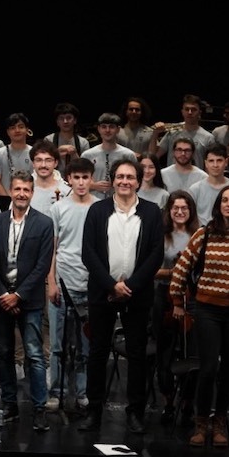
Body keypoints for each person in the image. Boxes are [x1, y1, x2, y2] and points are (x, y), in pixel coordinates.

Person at [168, 185, 229, 448]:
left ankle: (220, 420)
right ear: (219, 205)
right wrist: (177, 300)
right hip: (207, 309)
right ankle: (201, 421)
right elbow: (182, 267)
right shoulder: (205, 233)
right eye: (225, 200)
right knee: (208, 368)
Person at [79, 159, 164, 435]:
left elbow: (156, 255)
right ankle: (93, 411)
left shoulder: (152, 212)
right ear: (113, 180)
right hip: (102, 292)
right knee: (97, 352)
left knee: (137, 354)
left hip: (137, 294)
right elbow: (88, 252)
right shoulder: (97, 210)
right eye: (120, 176)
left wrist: (130, 286)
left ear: (139, 181)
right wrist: (111, 286)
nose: (124, 181)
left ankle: (135, 412)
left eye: (130, 177)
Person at [0, 170, 54, 432]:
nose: (21, 194)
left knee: (34, 354)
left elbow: (42, 265)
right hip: (1, 299)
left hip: (29, 299)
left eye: (26, 190)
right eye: (17, 189)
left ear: (32, 193)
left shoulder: (44, 223)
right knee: (4, 353)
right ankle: (10, 405)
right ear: (11, 191)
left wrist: (18, 295)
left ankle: (39, 409)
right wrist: (3, 294)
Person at [44, 157, 97, 414]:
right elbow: (52, 249)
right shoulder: (58, 208)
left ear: (91, 179)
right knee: (58, 346)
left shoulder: (100, 207)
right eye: (76, 177)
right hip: (63, 282)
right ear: (69, 179)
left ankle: (83, 392)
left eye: (85, 177)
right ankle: (56, 391)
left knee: (85, 346)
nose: (81, 182)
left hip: (90, 285)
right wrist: (51, 281)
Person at [152, 189, 199, 425]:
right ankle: (168, 400)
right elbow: (151, 270)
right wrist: (175, 271)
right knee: (165, 352)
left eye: (184, 208)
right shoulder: (161, 235)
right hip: (164, 296)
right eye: (175, 208)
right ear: (169, 211)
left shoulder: (199, 235)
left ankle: (188, 401)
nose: (180, 212)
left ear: (191, 211)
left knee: (193, 353)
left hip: (193, 298)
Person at [80, 113, 137, 197]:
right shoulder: (87, 155)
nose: (107, 130)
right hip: (93, 200)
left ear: (118, 129)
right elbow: (78, 180)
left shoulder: (128, 155)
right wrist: (93, 185)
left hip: (121, 200)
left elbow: (136, 180)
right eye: (104, 127)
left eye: (111, 127)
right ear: (99, 129)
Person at [151, 94, 215, 167]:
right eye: (187, 109)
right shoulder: (172, 131)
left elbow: (211, 164)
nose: (190, 112)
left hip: (196, 174)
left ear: (199, 113)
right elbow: (154, 156)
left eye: (193, 109)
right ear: (182, 112)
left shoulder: (208, 137)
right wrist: (155, 134)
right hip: (172, 174)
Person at [187, 144, 229, 224]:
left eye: (219, 160)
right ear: (206, 163)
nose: (215, 165)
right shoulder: (195, 190)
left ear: (226, 162)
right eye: (211, 161)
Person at [0, 113, 34, 195]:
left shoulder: (35, 153)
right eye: (13, 128)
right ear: (8, 132)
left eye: (21, 127)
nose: (17, 130)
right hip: (5, 198)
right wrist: (7, 199)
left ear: (27, 130)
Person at [43, 102, 87, 168]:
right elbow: (44, 164)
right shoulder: (48, 140)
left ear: (75, 120)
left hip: (76, 174)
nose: (65, 121)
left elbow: (86, 168)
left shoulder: (83, 142)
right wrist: (56, 153)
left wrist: (75, 154)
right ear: (57, 122)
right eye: (61, 118)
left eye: (69, 118)